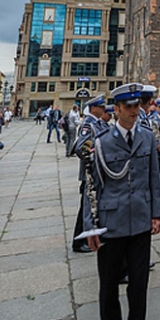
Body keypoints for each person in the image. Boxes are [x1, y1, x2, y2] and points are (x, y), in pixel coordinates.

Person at [83, 83, 160, 320]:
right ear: (115, 109)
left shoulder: (147, 137)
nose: (134, 111)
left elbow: (153, 178)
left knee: (139, 285)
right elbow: (91, 187)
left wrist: (156, 213)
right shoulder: (101, 142)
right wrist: (91, 227)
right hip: (111, 223)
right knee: (108, 288)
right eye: (128, 107)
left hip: (140, 221)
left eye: (136, 106)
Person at [70, 95, 111, 253]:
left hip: (97, 172)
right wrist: (96, 157)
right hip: (90, 172)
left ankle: (86, 237)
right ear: (93, 108)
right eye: (101, 107)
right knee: (85, 208)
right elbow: (81, 148)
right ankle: (79, 241)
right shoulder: (89, 124)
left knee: (89, 207)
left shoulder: (98, 123)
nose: (103, 109)